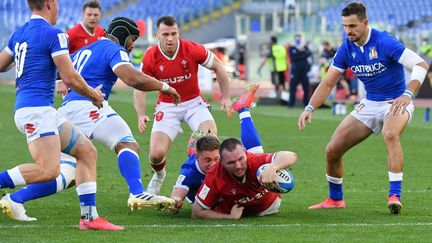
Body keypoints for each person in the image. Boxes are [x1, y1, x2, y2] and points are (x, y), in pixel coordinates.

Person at [0, 17, 181, 221]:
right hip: (89, 105)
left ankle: (15, 199)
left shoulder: (85, 51)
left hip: (65, 111)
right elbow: (132, 78)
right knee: (126, 143)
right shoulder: (114, 49)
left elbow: (61, 74)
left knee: (69, 174)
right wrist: (164, 87)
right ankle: (137, 192)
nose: (132, 45)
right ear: (123, 35)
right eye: (132, 39)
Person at [0, 0, 122, 230]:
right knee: (49, 170)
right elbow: (71, 78)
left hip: (39, 109)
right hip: (36, 111)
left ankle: (89, 218)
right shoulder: (55, 34)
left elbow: (1, 64)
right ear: (50, 3)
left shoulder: (19, 33)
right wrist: (94, 95)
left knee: (86, 151)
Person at [298, 2, 429, 215]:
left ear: (365, 23)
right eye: (345, 26)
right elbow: (328, 82)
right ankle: (335, 199)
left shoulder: (385, 41)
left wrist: (408, 94)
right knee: (332, 150)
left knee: (390, 134)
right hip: (369, 104)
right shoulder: (346, 48)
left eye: (352, 26)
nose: (348, 31)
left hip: (395, 102)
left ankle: (394, 195)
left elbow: (420, 64)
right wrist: (310, 107)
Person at [133, 16, 233, 196]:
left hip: (194, 103)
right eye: (165, 34)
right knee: (156, 154)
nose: (170, 38)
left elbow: (218, 66)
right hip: (167, 106)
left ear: (178, 32)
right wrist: (141, 114)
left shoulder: (191, 48)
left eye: (173, 33)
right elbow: (139, 86)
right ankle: (159, 174)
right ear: (157, 35)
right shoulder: (151, 56)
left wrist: (226, 97)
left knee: (209, 136)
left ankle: (204, 184)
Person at [170, 84, 262, 213]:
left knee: (256, 157)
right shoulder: (190, 169)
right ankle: (193, 149)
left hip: (228, 197)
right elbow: (179, 190)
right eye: (208, 160)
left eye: (216, 159)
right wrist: (175, 201)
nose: (213, 164)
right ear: (198, 158)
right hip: (213, 203)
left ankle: (243, 109)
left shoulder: (227, 162)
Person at [191, 137, 297, 220]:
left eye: (241, 159)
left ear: (245, 152)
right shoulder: (214, 176)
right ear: (221, 162)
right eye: (231, 162)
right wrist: (229, 217)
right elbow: (196, 212)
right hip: (234, 210)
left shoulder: (255, 160)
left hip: (269, 208)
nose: (238, 166)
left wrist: (272, 168)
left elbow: (291, 155)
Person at [56, 1, 106, 96]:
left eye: (95, 15)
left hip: (95, 82)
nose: (92, 18)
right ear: (82, 15)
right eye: (89, 14)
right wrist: (59, 80)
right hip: (75, 84)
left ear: (100, 16)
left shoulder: (102, 33)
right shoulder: (72, 34)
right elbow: (58, 56)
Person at [258, 36, 288, 102]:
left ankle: (278, 98)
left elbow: (265, 59)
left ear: (271, 41)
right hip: (282, 68)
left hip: (274, 69)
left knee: (276, 84)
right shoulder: (282, 47)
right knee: (281, 84)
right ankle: (281, 98)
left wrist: (259, 68)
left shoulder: (271, 49)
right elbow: (286, 57)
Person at [288, 34, 312, 107]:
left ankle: (306, 104)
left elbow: (308, 54)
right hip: (295, 70)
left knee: (306, 87)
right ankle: (291, 104)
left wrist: (300, 53)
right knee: (293, 87)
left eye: (299, 38)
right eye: (297, 38)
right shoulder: (292, 47)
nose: (298, 40)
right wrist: (302, 54)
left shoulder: (304, 47)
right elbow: (293, 57)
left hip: (304, 71)